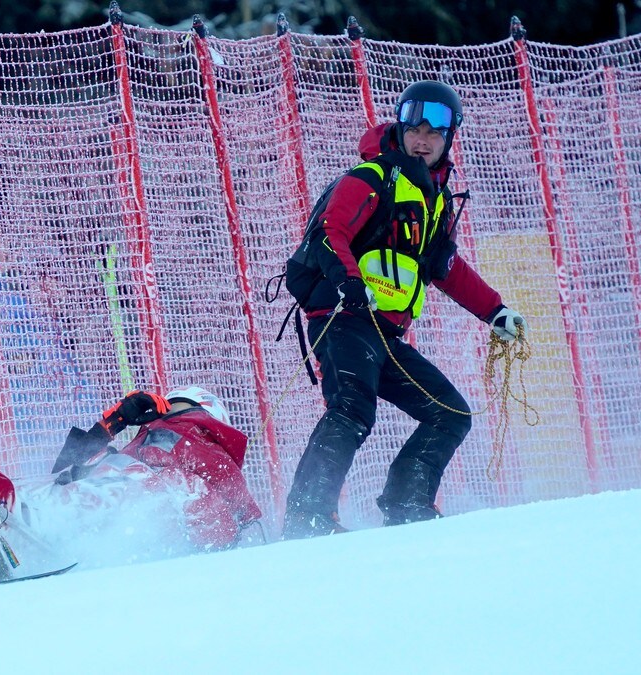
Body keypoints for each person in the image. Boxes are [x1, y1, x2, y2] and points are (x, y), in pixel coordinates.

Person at [281, 80, 527, 539]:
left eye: (435, 132)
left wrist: (495, 312)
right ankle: (307, 516)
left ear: (449, 138)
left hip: (384, 336)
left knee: (449, 413)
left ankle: (406, 504)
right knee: (353, 408)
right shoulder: (371, 178)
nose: (423, 137)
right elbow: (330, 232)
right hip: (341, 320)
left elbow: (446, 268)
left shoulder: (432, 200)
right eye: (414, 125)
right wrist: (349, 282)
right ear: (399, 125)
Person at [46, 388, 262, 550]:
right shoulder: (205, 448)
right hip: (167, 530)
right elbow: (243, 509)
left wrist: (112, 423)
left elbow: (65, 475)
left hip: (111, 504)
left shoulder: (139, 445)